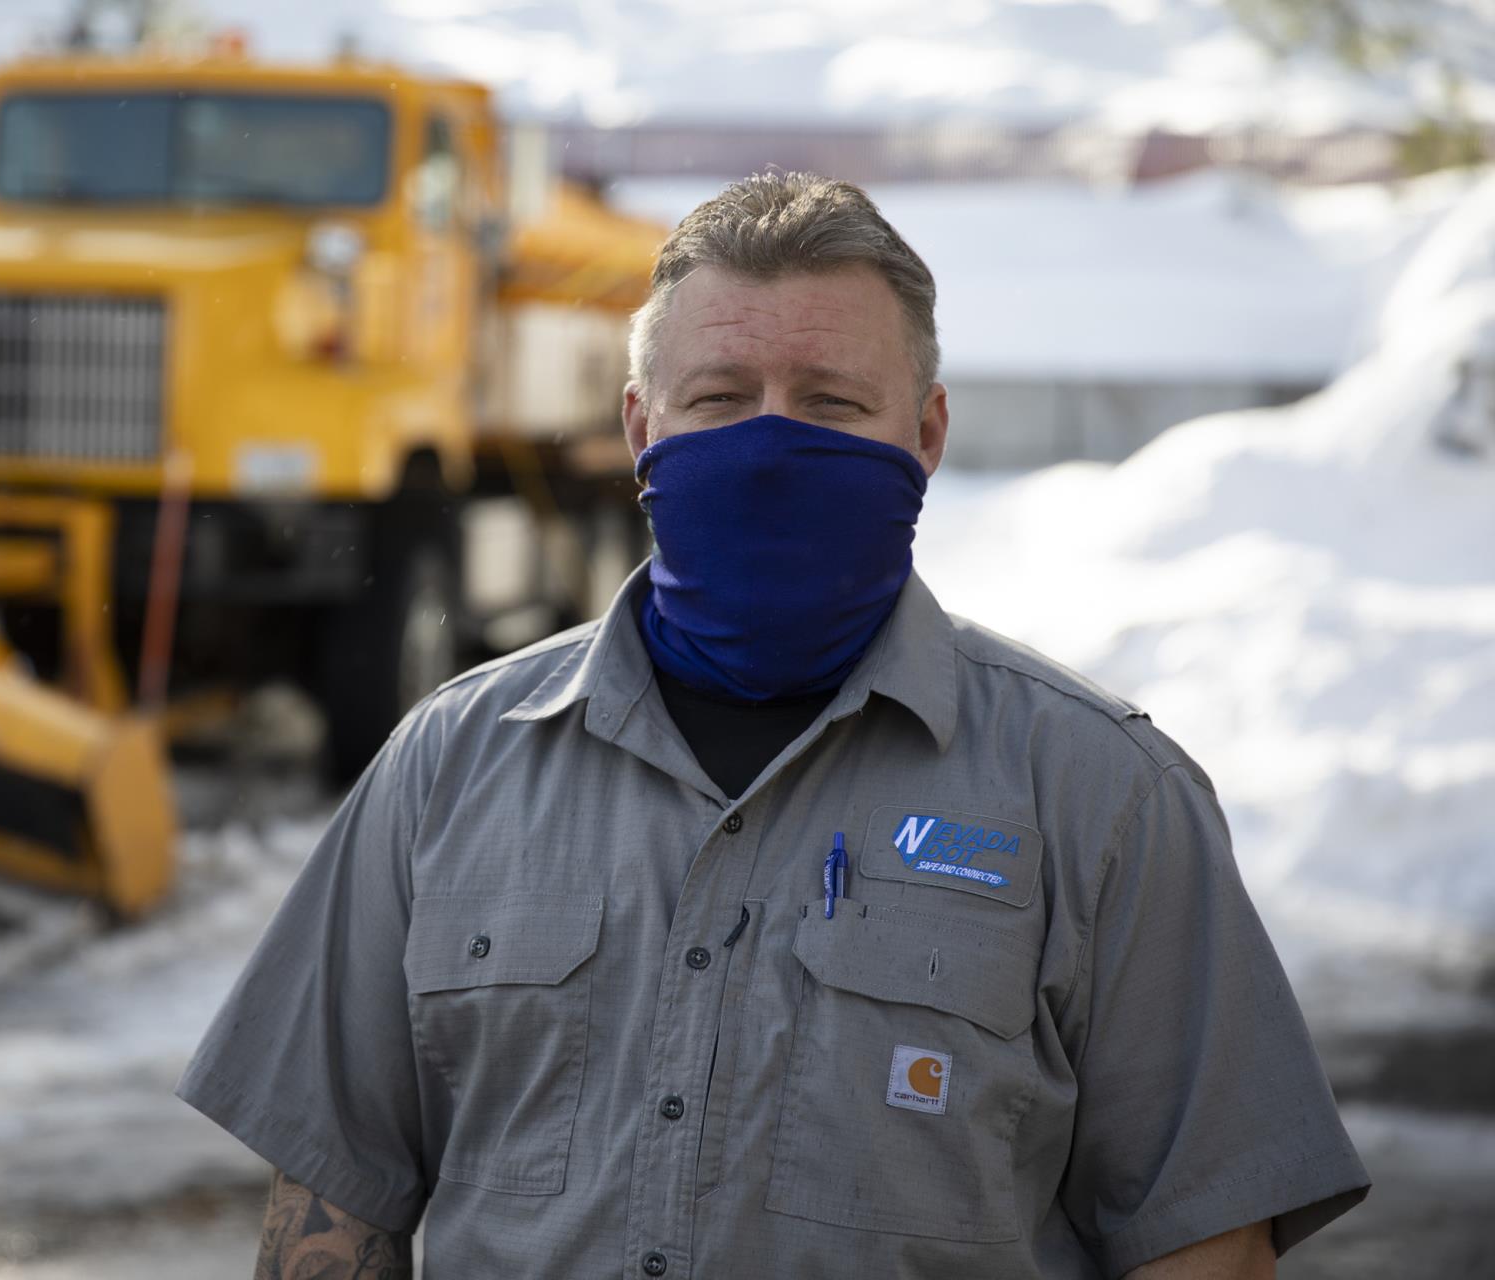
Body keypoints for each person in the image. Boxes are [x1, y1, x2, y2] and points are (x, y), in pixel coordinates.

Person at [178, 171, 1369, 1279]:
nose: (769, 442)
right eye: (722, 398)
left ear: (928, 434)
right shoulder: (450, 764)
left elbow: (1201, 1234)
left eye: (831, 401)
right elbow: (335, 1201)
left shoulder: (1103, 795)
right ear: (642, 429)